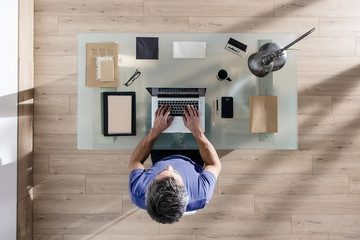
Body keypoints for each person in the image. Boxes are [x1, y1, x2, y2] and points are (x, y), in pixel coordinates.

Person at [128, 105, 222, 224]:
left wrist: (155, 131)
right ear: (185, 189)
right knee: (205, 108)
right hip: (194, 156)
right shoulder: (201, 194)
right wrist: (197, 132)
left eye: (161, 172)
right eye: (176, 173)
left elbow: (135, 162)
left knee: (152, 107)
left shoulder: (139, 193)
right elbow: (214, 164)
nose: (169, 167)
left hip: (161, 155)